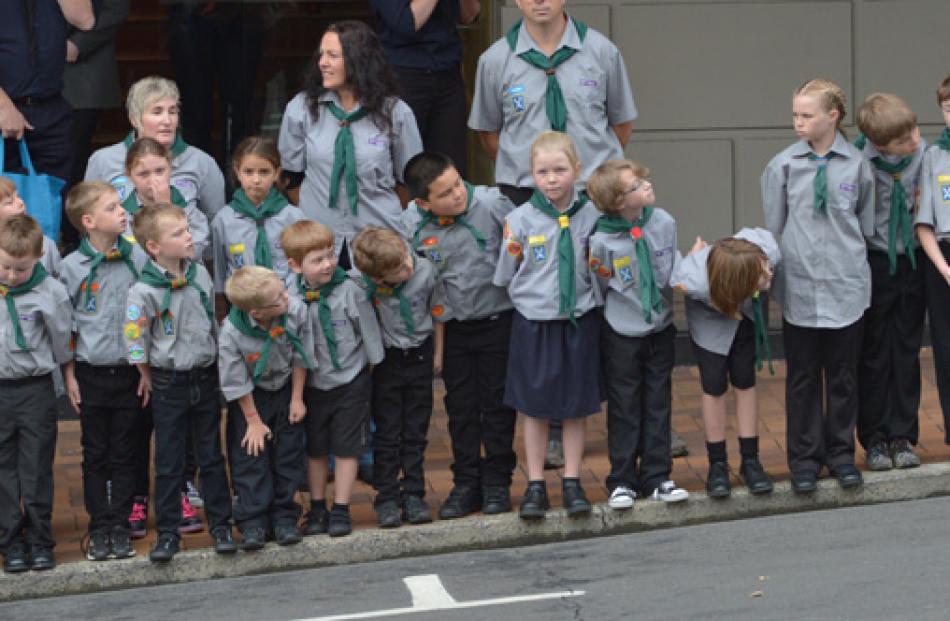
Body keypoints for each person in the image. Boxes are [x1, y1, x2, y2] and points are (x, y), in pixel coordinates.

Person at [761, 78, 874, 493]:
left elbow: (864, 223)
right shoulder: (783, 166)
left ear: (833, 117)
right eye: (794, 114)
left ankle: (841, 453)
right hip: (802, 287)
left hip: (845, 285)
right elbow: (775, 226)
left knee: (843, 374)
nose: (798, 122)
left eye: (806, 115)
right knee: (803, 377)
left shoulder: (858, 165)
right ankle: (805, 459)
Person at [401, 152, 517, 518]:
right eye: (446, 193)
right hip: (451, 329)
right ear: (423, 203)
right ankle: (466, 482)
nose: (457, 195)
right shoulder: (410, 224)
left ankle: (497, 481)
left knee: (497, 405)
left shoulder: (492, 203)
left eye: (457, 184)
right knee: (461, 408)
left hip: (498, 319)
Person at [493, 131, 600, 519]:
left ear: (577, 170)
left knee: (575, 406)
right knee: (534, 408)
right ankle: (535, 483)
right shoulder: (518, 220)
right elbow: (507, 270)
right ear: (530, 175)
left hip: (578, 319)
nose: (551, 179)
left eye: (559, 170)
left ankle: (572, 480)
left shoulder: (593, 215)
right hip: (535, 322)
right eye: (542, 171)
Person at [123, 203, 236, 562]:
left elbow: (211, 321)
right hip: (168, 381)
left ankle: (220, 524)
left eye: (187, 229)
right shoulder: (142, 291)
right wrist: (145, 373)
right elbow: (133, 336)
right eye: (179, 233)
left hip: (203, 376)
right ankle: (168, 532)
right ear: (153, 247)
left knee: (211, 456)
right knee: (170, 460)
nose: (188, 236)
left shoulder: (200, 274)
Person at [278, 20, 423, 266]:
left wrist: (385, 219)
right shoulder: (301, 108)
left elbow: (410, 181)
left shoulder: (396, 112)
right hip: (318, 242)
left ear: (360, 60)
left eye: (333, 55)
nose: (322, 62)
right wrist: (314, 212)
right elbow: (291, 177)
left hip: (379, 239)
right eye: (321, 54)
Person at [587, 159, 687, 509]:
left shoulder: (663, 222)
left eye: (643, 179)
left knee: (658, 400)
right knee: (625, 405)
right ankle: (623, 479)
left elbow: (672, 265)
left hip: (660, 326)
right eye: (635, 186)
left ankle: (658, 475)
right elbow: (600, 287)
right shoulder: (601, 240)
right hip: (622, 331)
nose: (646, 186)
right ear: (617, 202)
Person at [468, 0, 636, 206]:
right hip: (525, 192)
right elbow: (488, 132)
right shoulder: (494, 60)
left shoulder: (602, 51)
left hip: (592, 189)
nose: (539, 0)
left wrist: (595, 169)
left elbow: (622, 125)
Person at [59, 181, 147, 561]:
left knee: (126, 451)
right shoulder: (70, 268)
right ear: (89, 221)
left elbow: (148, 316)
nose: (123, 212)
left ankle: (121, 524)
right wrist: (69, 374)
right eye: (113, 208)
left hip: (129, 372)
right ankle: (100, 527)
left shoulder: (138, 259)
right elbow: (66, 326)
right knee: (95, 453)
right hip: (91, 372)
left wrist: (145, 369)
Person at [282, 220, 384, 537]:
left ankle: (340, 508)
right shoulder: (288, 297)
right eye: (317, 260)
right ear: (295, 266)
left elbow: (370, 340)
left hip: (350, 381)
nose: (327, 264)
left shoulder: (350, 291)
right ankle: (317, 507)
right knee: (315, 448)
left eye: (329, 256)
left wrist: (364, 379)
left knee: (347, 447)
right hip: (311, 385)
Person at [670, 229, 781, 498]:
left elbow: (760, 249)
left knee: (745, 381)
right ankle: (717, 464)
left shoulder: (768, 252)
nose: (770, 275)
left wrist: (756, 274)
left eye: (766, 269)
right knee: (714, 386)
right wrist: (695, 256)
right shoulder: (694, 280)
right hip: (710, 322)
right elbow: (676, 275)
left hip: (746, 314)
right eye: (762, 275)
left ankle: (751, 461)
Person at [351, 226, 443, 528]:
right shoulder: (363, 286)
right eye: (398, 269)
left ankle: (414, 493)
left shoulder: (425, 271)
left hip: (419, 354)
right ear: (378, 279)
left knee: (415, 430)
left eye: (405, 257)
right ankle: (387, 496)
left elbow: (438, 312)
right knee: (387, 432)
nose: (408, 266)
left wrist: (438, 353)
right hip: (386, 360)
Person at [855, 93, 926, 471]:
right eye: (904, 140)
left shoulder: (925, 156)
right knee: (874, 353)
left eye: (914, 131)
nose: (914, 140)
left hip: (913, 260)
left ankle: (903, 435)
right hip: (875, 263)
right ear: (880, 145)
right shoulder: (858, 164)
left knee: (906, 350)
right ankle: (875, 438)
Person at [219, 266, 311, 549]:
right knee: (251, 456)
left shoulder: (294, 311)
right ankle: (252, 522)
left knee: (287, 453)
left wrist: (297, 398)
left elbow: (300, 356)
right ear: (256, 313)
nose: (287, 299)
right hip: (251, 397)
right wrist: (253, 422)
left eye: (284, 291)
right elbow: (235, 381)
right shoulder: (232, 332)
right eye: (278, 299)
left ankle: (284, 517)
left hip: (284, 389)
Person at [0, 214, 72, 573]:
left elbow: (62, 345)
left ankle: (41, 539)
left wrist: (68, 381)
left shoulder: (51, 293)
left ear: (38, 259)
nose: (12, 276)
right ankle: (11, 541)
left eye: (21, 270)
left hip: (34, 389)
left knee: (37, 468)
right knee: (3, 470)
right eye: (6, 267)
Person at [84, 76, 225, 226]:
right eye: (157, 112)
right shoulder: (103, 160)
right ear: (134, 119)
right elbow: (89, 221)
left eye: (172, 112)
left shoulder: (202, 162)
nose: (167, 121)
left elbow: (216, 226)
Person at [369, 0, 481, 178]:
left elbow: (469, 16)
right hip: (403, 76)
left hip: (447, 72)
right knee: (405, 162)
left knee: (450, 163)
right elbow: (406, 24)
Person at [1, 0, 94, 209]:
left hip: (50, 106)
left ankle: (48, 242)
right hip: (6, 107)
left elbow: (84, 19)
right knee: (6, 203)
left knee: (52, 201)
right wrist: (3, 106)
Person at [62, 0, 130, 251]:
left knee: (74, 161)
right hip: (27, 77)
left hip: (80, 74)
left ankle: (74, 239)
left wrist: (78, 44)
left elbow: (116, 8)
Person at [211, 135, 303, 314]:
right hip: (242, 309)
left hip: (286, 305)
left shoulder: (293, 217)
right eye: (248, 172)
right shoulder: (223, 220)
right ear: (237, 172)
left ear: (277, 173)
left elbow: (300, 268)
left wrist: (286, 301)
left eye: (264, 172)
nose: (256, 180)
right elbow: (220, 271)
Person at [914, 73, 950, 448]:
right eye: (947, 108)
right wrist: (943, 268)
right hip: (944, 259)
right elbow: (922, 223)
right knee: (946, 348)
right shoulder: (933, 157)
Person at [123, 137, 210, 259]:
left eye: (159, 171)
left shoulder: (186, 205)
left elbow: (195, 249)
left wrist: (166, 208)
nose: (153, 180)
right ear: (129, 175)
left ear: (170, 167)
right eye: (143, 174)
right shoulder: (123, 214)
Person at [0, 177, 61, 276]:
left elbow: (57, 279)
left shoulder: (45, 244)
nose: (20, 202)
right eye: (9, 202)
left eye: (18, 196)